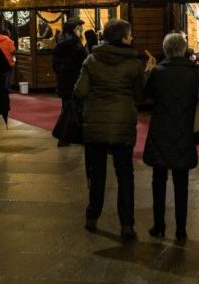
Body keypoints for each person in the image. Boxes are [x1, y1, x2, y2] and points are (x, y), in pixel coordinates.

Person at [74, 19, 146, 241]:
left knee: (97, 173)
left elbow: (80, 90)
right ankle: (126, 225)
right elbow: (140, 95)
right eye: (130, 34)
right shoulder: (134, 64)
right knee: (125, 174)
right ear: (123, 37)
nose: (132, 37)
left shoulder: (92, 60)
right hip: (123, 122)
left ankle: (92, 217)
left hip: (95, 122)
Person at [143, 32, 199, 242]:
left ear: (166, 50)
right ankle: (181, 229)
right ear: (183, 49)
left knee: (158, 181)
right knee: (182, 183)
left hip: (161, 131)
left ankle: (159, 225)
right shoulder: (196, 73)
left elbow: (147, 95)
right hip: (185, 131)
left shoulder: (159, 72)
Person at [52, 19, 87, 147]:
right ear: (74, 30)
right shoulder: (77, 46)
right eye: (79, 28)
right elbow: (83, 65)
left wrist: (61, 74)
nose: (81, 30)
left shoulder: (59, 45)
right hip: (76, 80)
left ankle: (65, 137)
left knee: (66, 107)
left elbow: (54, 65)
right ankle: (70, 136)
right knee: (77, 109)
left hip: (63, 81)